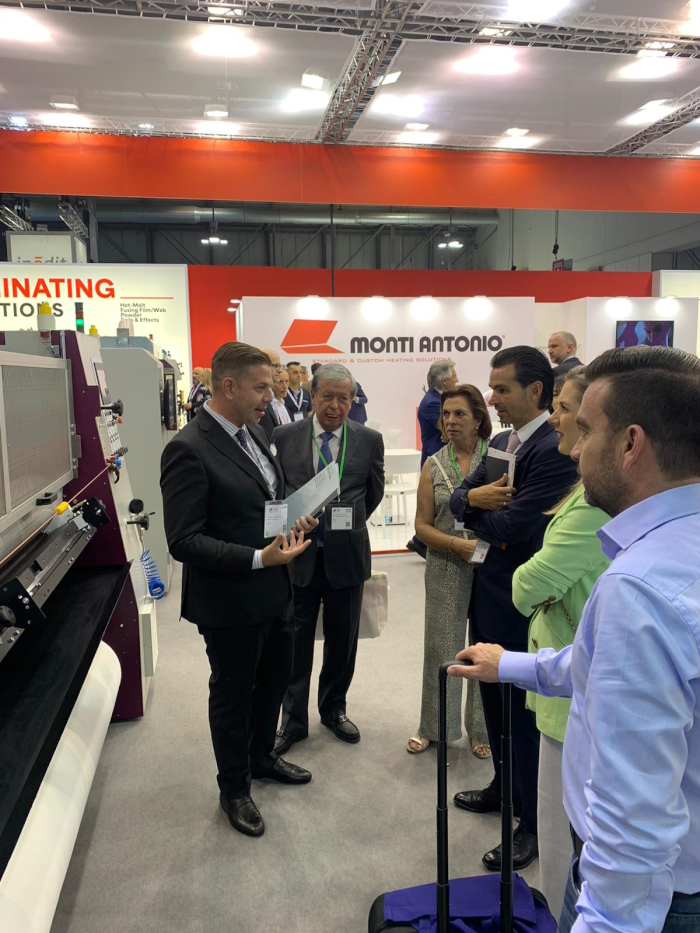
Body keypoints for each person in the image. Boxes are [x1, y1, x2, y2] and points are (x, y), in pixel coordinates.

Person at [449, 345, 700, 933]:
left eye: (585, 430)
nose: (571, 450)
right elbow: (607, 666)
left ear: (631, 444)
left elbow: (632, 827)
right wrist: (512, 665)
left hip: (652, 902)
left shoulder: (639, 589)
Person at [160, 342, 317, 839]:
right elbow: (184, 540)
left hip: (275, 589)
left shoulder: (257, 432)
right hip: (229, 600)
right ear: (229, 386)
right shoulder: (188, 447)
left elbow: (262, 503)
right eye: (262, 387)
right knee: (233, 695)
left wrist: (292, 519)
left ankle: (261, 758)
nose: (272, 396)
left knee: (272, 682)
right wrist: (257, 558)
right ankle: (234, 788)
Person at [448, 346, 578, 872]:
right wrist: (472, 502)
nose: (493, 398)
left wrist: (474, 509)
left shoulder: (556, 450)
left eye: (502, 389)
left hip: (524, 602)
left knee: (524, 715)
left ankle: (532, 823)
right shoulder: (502, 442)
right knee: (494, 701)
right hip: (488, 590)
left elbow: (516, 527)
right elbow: (459, 499)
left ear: (535, 391)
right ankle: (506, 787)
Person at [511, 365, 610, 919]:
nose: (554, 418)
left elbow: (528, 585)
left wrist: (534, 577)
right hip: (564, 673)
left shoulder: (596, 501)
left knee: (560, 836)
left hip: (573, 693)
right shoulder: (586, 484)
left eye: (568, 410)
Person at [273, 363, 385, 754]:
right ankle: (292, 721)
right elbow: (275, 492)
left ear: (352, 400)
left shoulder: (368, 440)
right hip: (296, 555)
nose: (335, 406)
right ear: (312, 395)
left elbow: (373, 493)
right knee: (294, 643)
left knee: (342, 641)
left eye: (343, 398)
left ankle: (334, 709)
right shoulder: (284, 436)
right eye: (327, 397)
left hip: (347, 557)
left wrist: (346, 523)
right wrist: (290, 520)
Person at [408, 384, 492, 759]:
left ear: (478, 418)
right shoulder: (434, 463)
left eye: (460, 413)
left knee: (485, 646)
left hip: (492, 566)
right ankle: (435, 726)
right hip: (446, 563)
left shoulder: (498, 458)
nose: (451, 421)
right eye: (446, 414)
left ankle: (482, 728)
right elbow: (422, 527)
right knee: (442, 647)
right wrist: (456, 545)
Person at [407, 360, 459, 558]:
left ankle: (422, 541)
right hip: (437, 459)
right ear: (444, 381)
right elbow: (447, 430)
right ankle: (421, 541)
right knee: (435, 504)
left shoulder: (436, 399)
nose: (457, 380)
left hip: (440, 456)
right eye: (454, 376)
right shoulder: (432, 403)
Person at [259, 366, 291, 441]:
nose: (285, 386)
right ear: (271, 384)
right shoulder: (265, 405)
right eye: (280, 382)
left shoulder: (283, 403)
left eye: (287, 381)